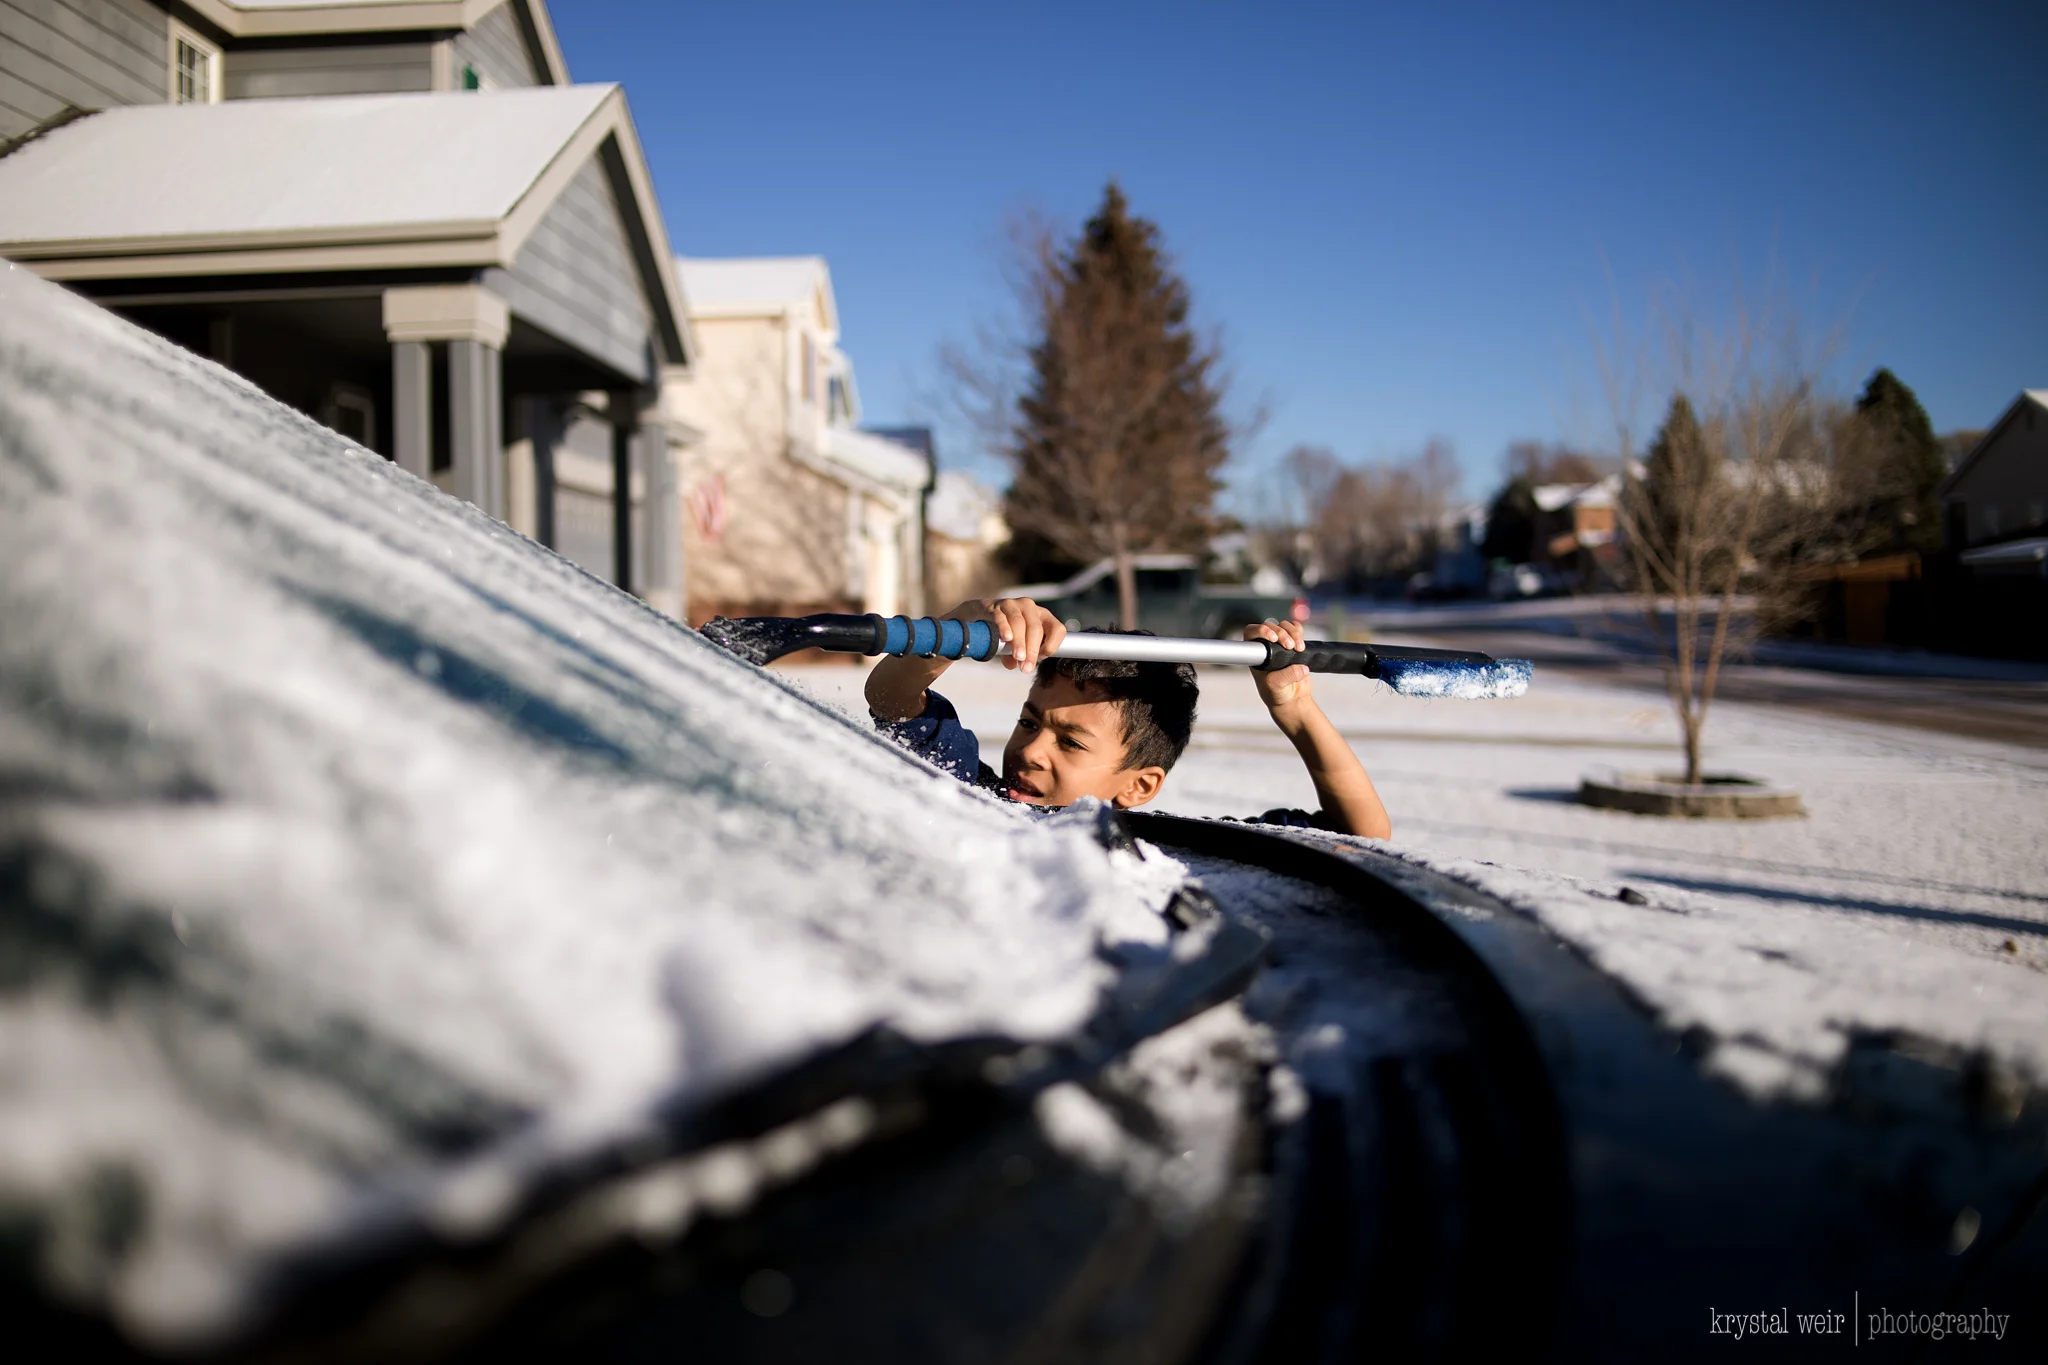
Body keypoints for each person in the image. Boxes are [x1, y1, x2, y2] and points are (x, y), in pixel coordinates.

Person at [864, 597, 1393, 839]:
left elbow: (1363, 836)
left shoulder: (1169, 849)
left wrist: (1294, 709)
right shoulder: (974, 797)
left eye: (1071, 743)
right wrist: (969, 624)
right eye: (1030, 722)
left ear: (1140, 786)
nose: (1029, 751)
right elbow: (889, 697)